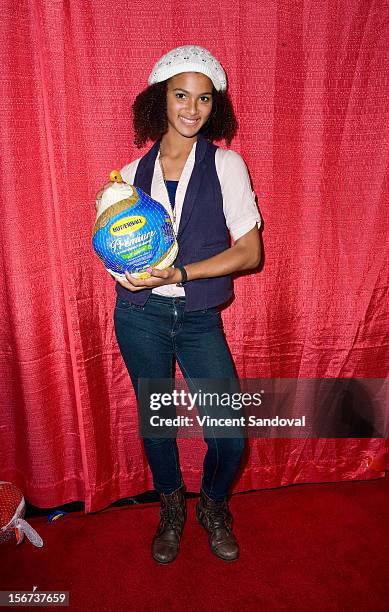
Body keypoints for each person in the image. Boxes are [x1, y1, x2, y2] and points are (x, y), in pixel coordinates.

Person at [103, 45, 261, 564]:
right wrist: (124, 275)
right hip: (140, 318)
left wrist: (183, 273)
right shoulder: (127, 175)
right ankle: (170, 505)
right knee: (159, 424)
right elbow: (111, 247)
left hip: (198, 318)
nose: (192, 109)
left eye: (204, 99)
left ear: (216, 107)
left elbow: (249, 252)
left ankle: (212, 506)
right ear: (160, 100)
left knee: (229, 436)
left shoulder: (228, 164)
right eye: (180, 96)